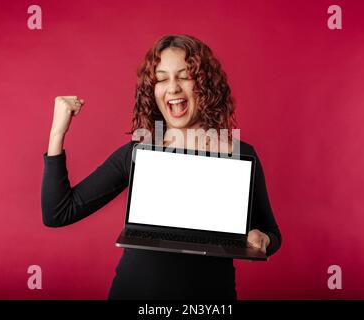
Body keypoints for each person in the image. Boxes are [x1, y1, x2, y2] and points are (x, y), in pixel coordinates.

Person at [41, 34, 282, 300]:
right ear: (152, 89)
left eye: (185, 76)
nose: (173, 88)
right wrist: (56, 134)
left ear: (205, 84)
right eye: (162, 78)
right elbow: (58, 213)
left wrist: (264, 239)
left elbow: (272, 233)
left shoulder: (240, 154)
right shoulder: (139, 152)